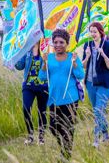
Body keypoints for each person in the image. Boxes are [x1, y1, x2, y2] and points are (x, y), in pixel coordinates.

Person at [39, 29, 85, 160]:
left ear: (67, 44)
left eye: (61, 42)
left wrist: (75, 63)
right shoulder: (49, 58)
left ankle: (66, 154)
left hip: (70, 98)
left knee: (68, 127)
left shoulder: (73, 57)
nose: (58, 45)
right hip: (54, 98)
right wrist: (44, 64)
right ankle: (63, 147)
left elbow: (80, 75)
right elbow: (42, 77)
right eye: (55, 42)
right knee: (53, 127)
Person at [82, 22, 109, 148]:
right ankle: (106, 134)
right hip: (90, 83)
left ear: (100, 32)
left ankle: (96, 139)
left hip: (104, 84)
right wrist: (88, 55)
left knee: (98, 110)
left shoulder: (108, 45)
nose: (93, 34)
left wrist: (103, 54)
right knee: (98, 111)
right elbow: (83, 66)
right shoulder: (88, 45)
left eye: (95, 31)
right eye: (91, 31)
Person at [15, 42, 48, 145]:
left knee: (42, 111)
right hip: (28, 85)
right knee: (26, 108)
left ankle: (41, 137)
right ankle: (30, 135)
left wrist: (46, 60)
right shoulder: (27, 50)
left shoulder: (46, 49)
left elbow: (50, 68)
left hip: (43, 85)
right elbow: (19, 66)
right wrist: (17, 53)